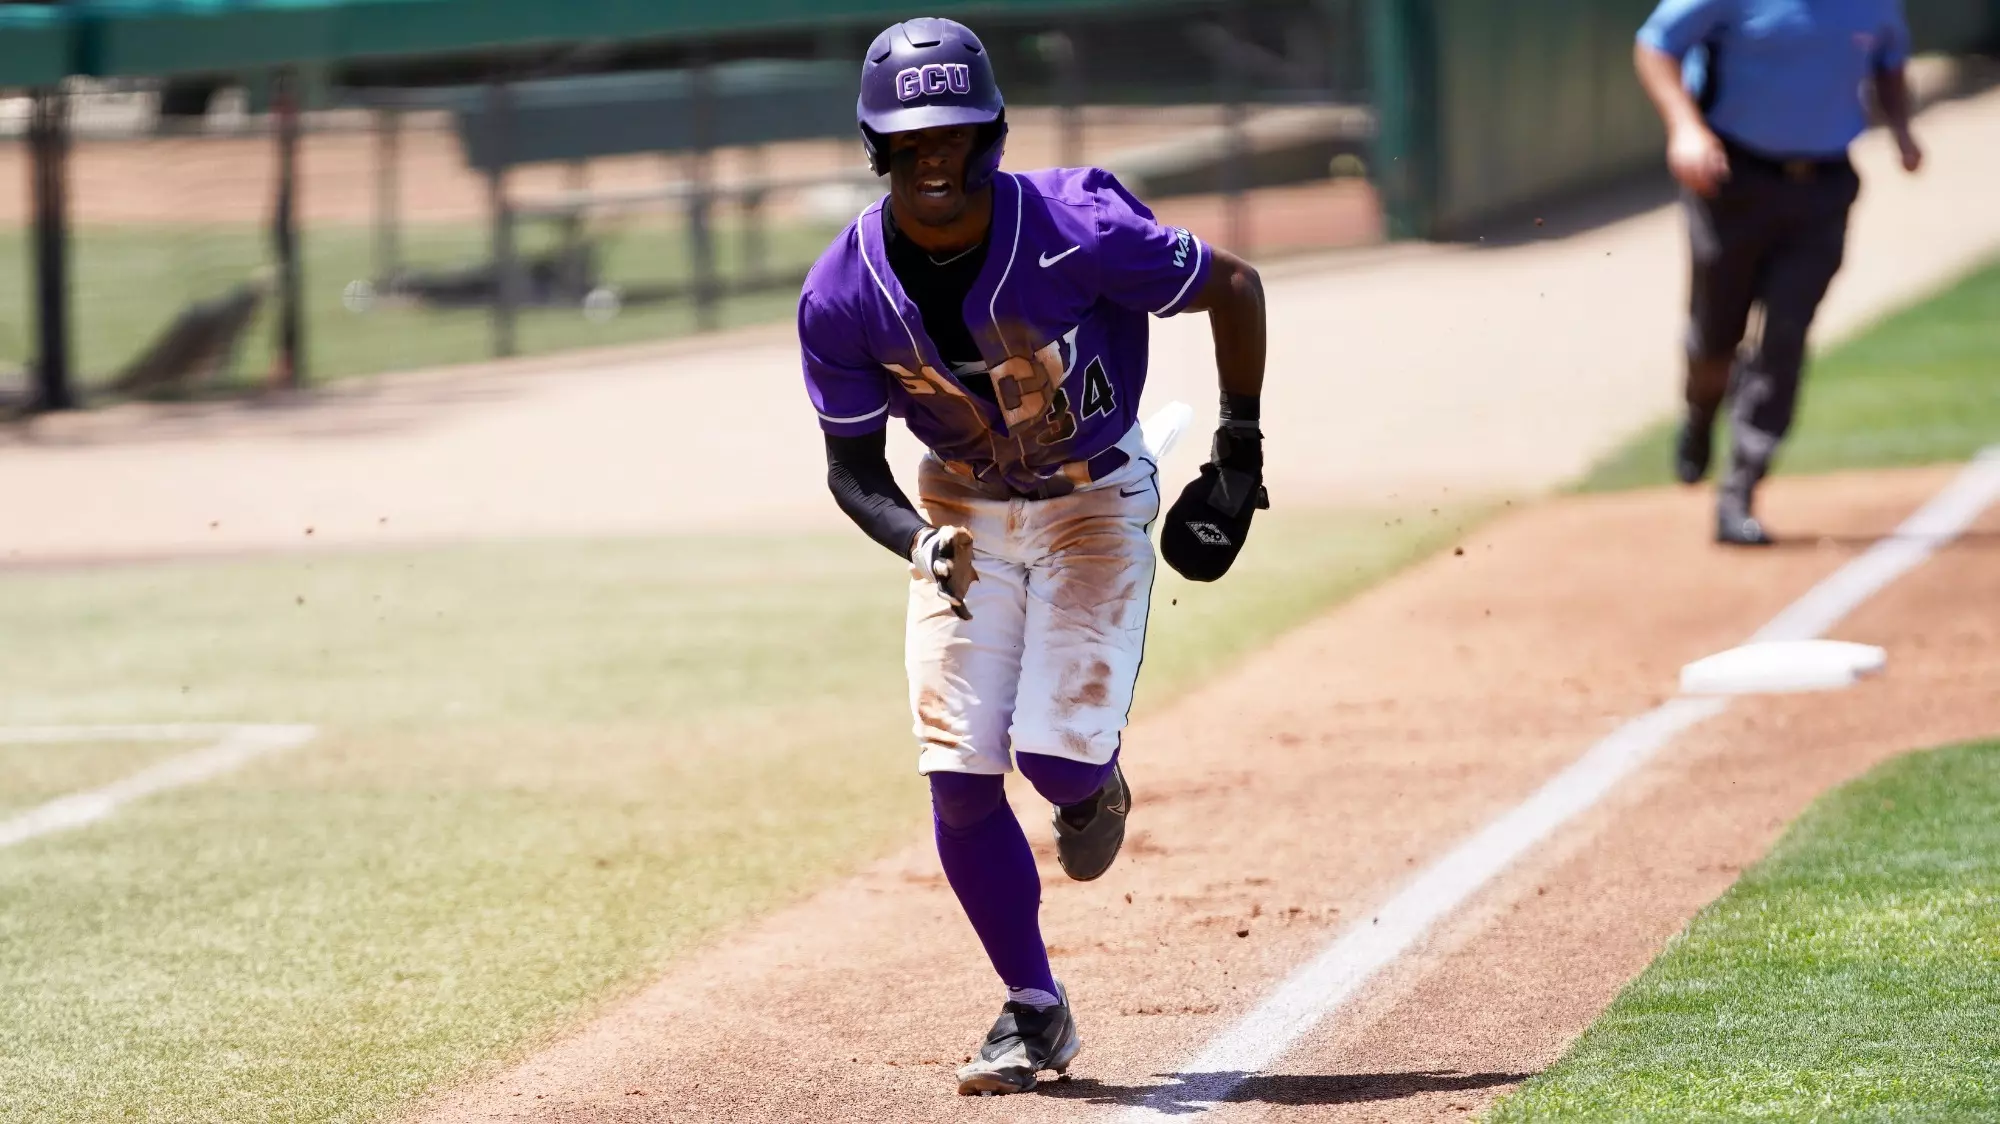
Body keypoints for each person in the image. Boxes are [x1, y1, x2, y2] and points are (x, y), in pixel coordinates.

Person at [795, 17, 1267, 1096]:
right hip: (960, 507)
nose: (931, 158)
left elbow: (1231, 286)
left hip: (1092, 501)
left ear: (990, 136)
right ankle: (1034, 1005)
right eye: (907, 140)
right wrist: (918, 541)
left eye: (952, 135)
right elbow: (851, 470)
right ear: (875, 148)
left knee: (1051, 763)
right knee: (958, 773)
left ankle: (1090, 785)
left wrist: (1237, 455)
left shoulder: (1072, 225)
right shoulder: (841, 289)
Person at [1634, 0, 1922, 545]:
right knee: (1715, 335)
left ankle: (1739, 488)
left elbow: (1889, 59)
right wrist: (1684, 128)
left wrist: (1902, 130)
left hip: (1824, 188)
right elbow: (1655, 46)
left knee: (1785, 335)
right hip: (1730, 180)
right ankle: (1700, 413)